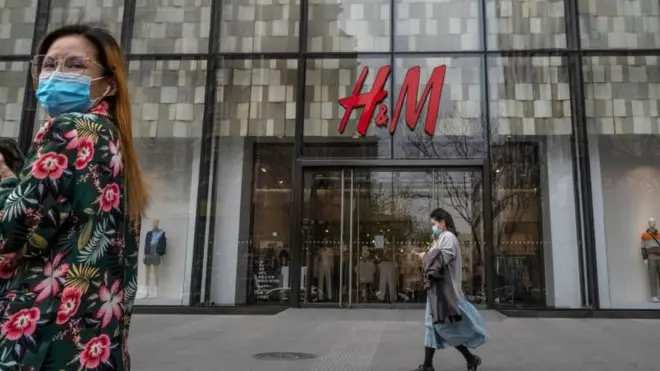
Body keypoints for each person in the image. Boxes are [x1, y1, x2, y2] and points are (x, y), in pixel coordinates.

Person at [0, 24, 149, 369]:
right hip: (94, 342)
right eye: (49, 64)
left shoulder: (69, 128)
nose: (56, 74)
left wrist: (7, 183)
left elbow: (14, 232)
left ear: (108, 83)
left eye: (75, 65)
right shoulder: (115, 145)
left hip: (44, 338)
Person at [410, 208, 487, 371]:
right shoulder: (442, 238)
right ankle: (429, 365)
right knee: (432, 327)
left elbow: (441, 261)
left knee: (442, 328)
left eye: (434, 224)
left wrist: (425, 257)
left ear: (442, 223)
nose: (433, 227)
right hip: (438, 292)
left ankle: (469, 358)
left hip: (446, 293)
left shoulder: (448, 238)